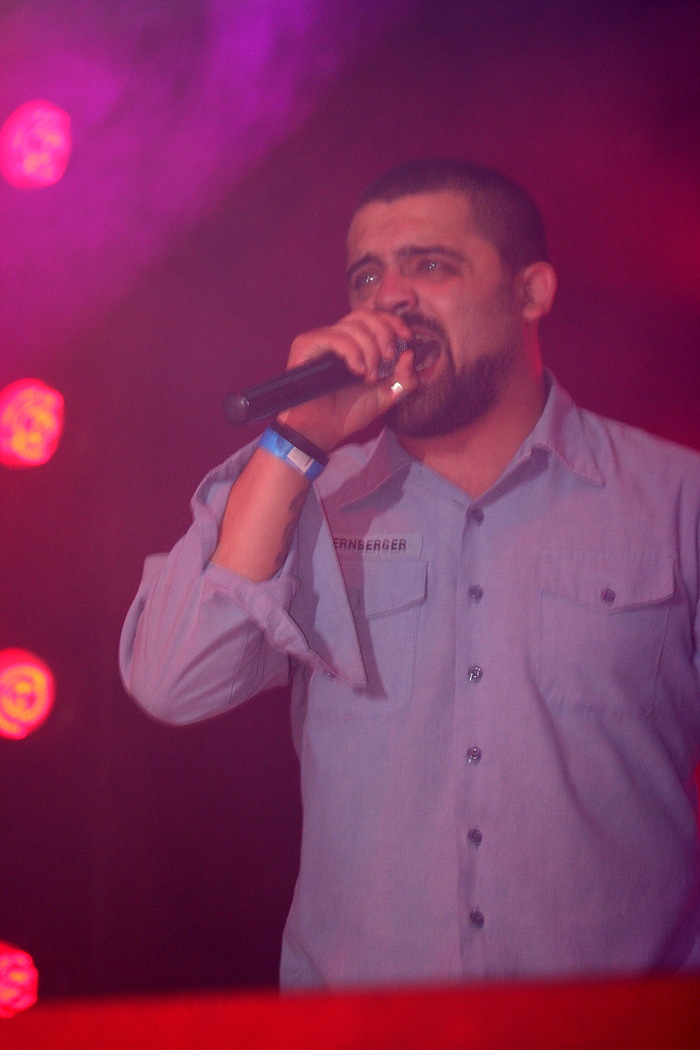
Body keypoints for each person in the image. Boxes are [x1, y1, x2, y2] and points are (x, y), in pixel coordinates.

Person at [120, 159, 700, 990]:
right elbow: (172, 683)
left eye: (430, 265)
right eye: (367, 277)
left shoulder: (676, 498)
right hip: (360, 1025)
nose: (390, 299)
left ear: (531, 292)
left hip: (622, 1023)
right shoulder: (303, 497)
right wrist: (295, 441)